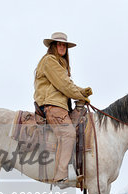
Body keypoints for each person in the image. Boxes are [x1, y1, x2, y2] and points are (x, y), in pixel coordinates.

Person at [34, 32, 92, 184]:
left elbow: (67, 83)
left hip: (60, 105)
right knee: (68, 134)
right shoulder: (50, 60)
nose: (62, 47)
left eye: (64, 45)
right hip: (53, 105)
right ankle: (60, 176)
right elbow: (64, 85)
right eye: (59, 44)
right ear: (53, 46)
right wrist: (80, 96)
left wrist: (82, 91)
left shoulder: (60, 64)